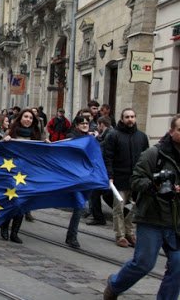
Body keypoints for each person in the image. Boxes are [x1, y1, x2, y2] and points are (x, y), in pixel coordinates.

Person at [103, 115, 180, 300]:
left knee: (178, 265)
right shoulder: (154, 154)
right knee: (144, 263)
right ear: (171, 131)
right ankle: (114, 285)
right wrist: (156, 184)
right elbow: (136, 180)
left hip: (176, 221)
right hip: (152, 217)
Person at [103, 108, 149, 248]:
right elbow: (108, 157)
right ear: (122, 118)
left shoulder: (141, 136)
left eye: (132, 116)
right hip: (119, 178)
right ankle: (120, 235)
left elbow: (146, 157)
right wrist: (110, 175)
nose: (130, 119)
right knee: (119, 208)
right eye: (127, 117)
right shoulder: (113, 135)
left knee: (135, 208)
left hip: (136, 179)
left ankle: (129, 232)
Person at [0, 109, 41, 244]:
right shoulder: (11, 132)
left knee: (22, 202)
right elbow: (0, 149)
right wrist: (5, 140)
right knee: (12, 201)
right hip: (12, 172)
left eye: (31, 118)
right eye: (26, 117)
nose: (28, 119)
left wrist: (47, 144)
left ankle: (15, 232)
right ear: (20, 118)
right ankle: (5, 225)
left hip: (28, 173)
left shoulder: (36, 135)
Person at [63, 115, 92, 248]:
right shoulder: (72, 137)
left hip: (86, 177)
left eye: (87, 123)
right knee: (79, 206)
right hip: (73, 177)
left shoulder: (91, 138)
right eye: (82, 123)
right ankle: (72, 237)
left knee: (79, 206)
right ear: (77, 125)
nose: (85, 125)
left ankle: (71, 236)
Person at [87, 115, 113, 226]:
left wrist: (95, 139)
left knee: (95, 193)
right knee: (106, 194)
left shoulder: (110, 135)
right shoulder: (108, 134)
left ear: (102, 124)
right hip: (106, 170)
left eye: (98, 125)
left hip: (107, 171)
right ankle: (126, 213)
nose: (97, 127)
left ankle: (99, 218)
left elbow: (103, 149)